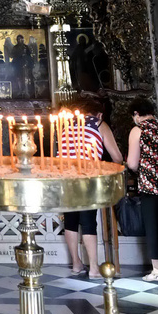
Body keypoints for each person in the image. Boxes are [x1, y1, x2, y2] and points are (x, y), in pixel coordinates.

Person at [62, 95, 123, 278]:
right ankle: (94, 268)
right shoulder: (98, 124)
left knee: (71, 221)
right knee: (88, 222)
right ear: (99, 114)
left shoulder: (66, 125)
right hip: (88, 177)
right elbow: (117, 157)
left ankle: (76, 264)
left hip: (66, 178)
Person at [126, 96, 158, 283]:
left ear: (137, 114)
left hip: (151, 185)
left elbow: (132, 163)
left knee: (154, 226)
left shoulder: (138, 129)